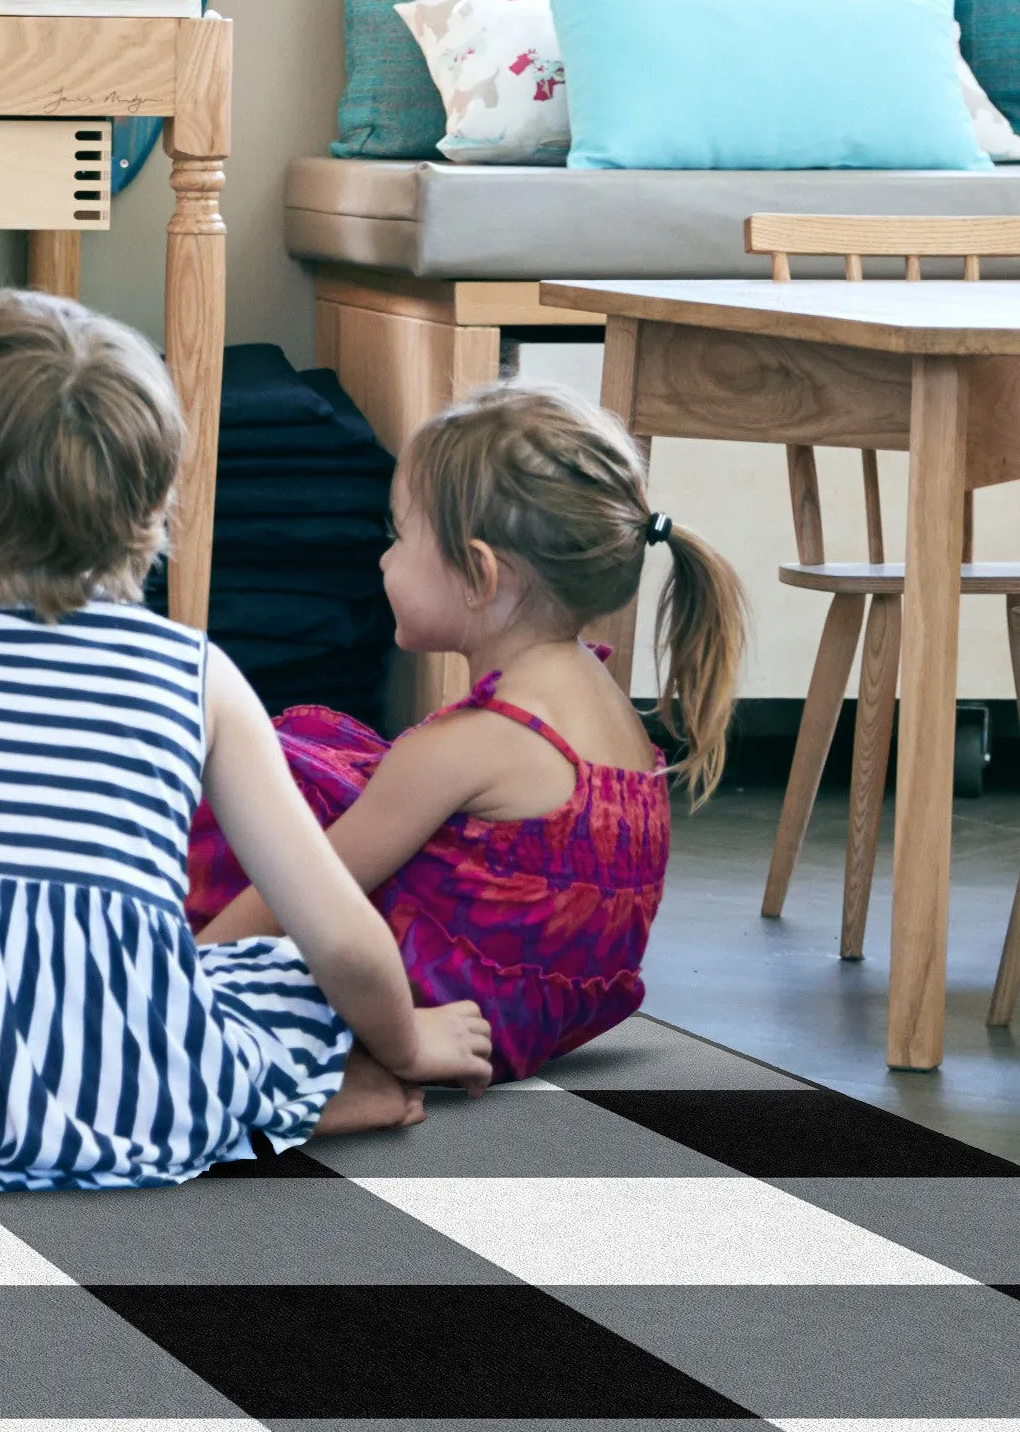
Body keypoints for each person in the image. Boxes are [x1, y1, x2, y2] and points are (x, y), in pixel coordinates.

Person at [0, 292, 498, 1191]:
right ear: (160, 502)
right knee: (275, 976)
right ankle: (315, 1101)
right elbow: (345, 940)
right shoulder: (195, 674)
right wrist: (412, 1041)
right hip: (132, 1088)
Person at [190, 385, 744, 1079]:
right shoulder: (598, 697)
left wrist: (182, 987)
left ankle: (345, 1072)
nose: (384, 560)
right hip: (541, 1006)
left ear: (480, 573)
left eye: (399, 537)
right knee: (326, 766)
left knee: (267, 794)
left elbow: (300, 892)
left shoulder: (474, 744)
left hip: (452, 1003)